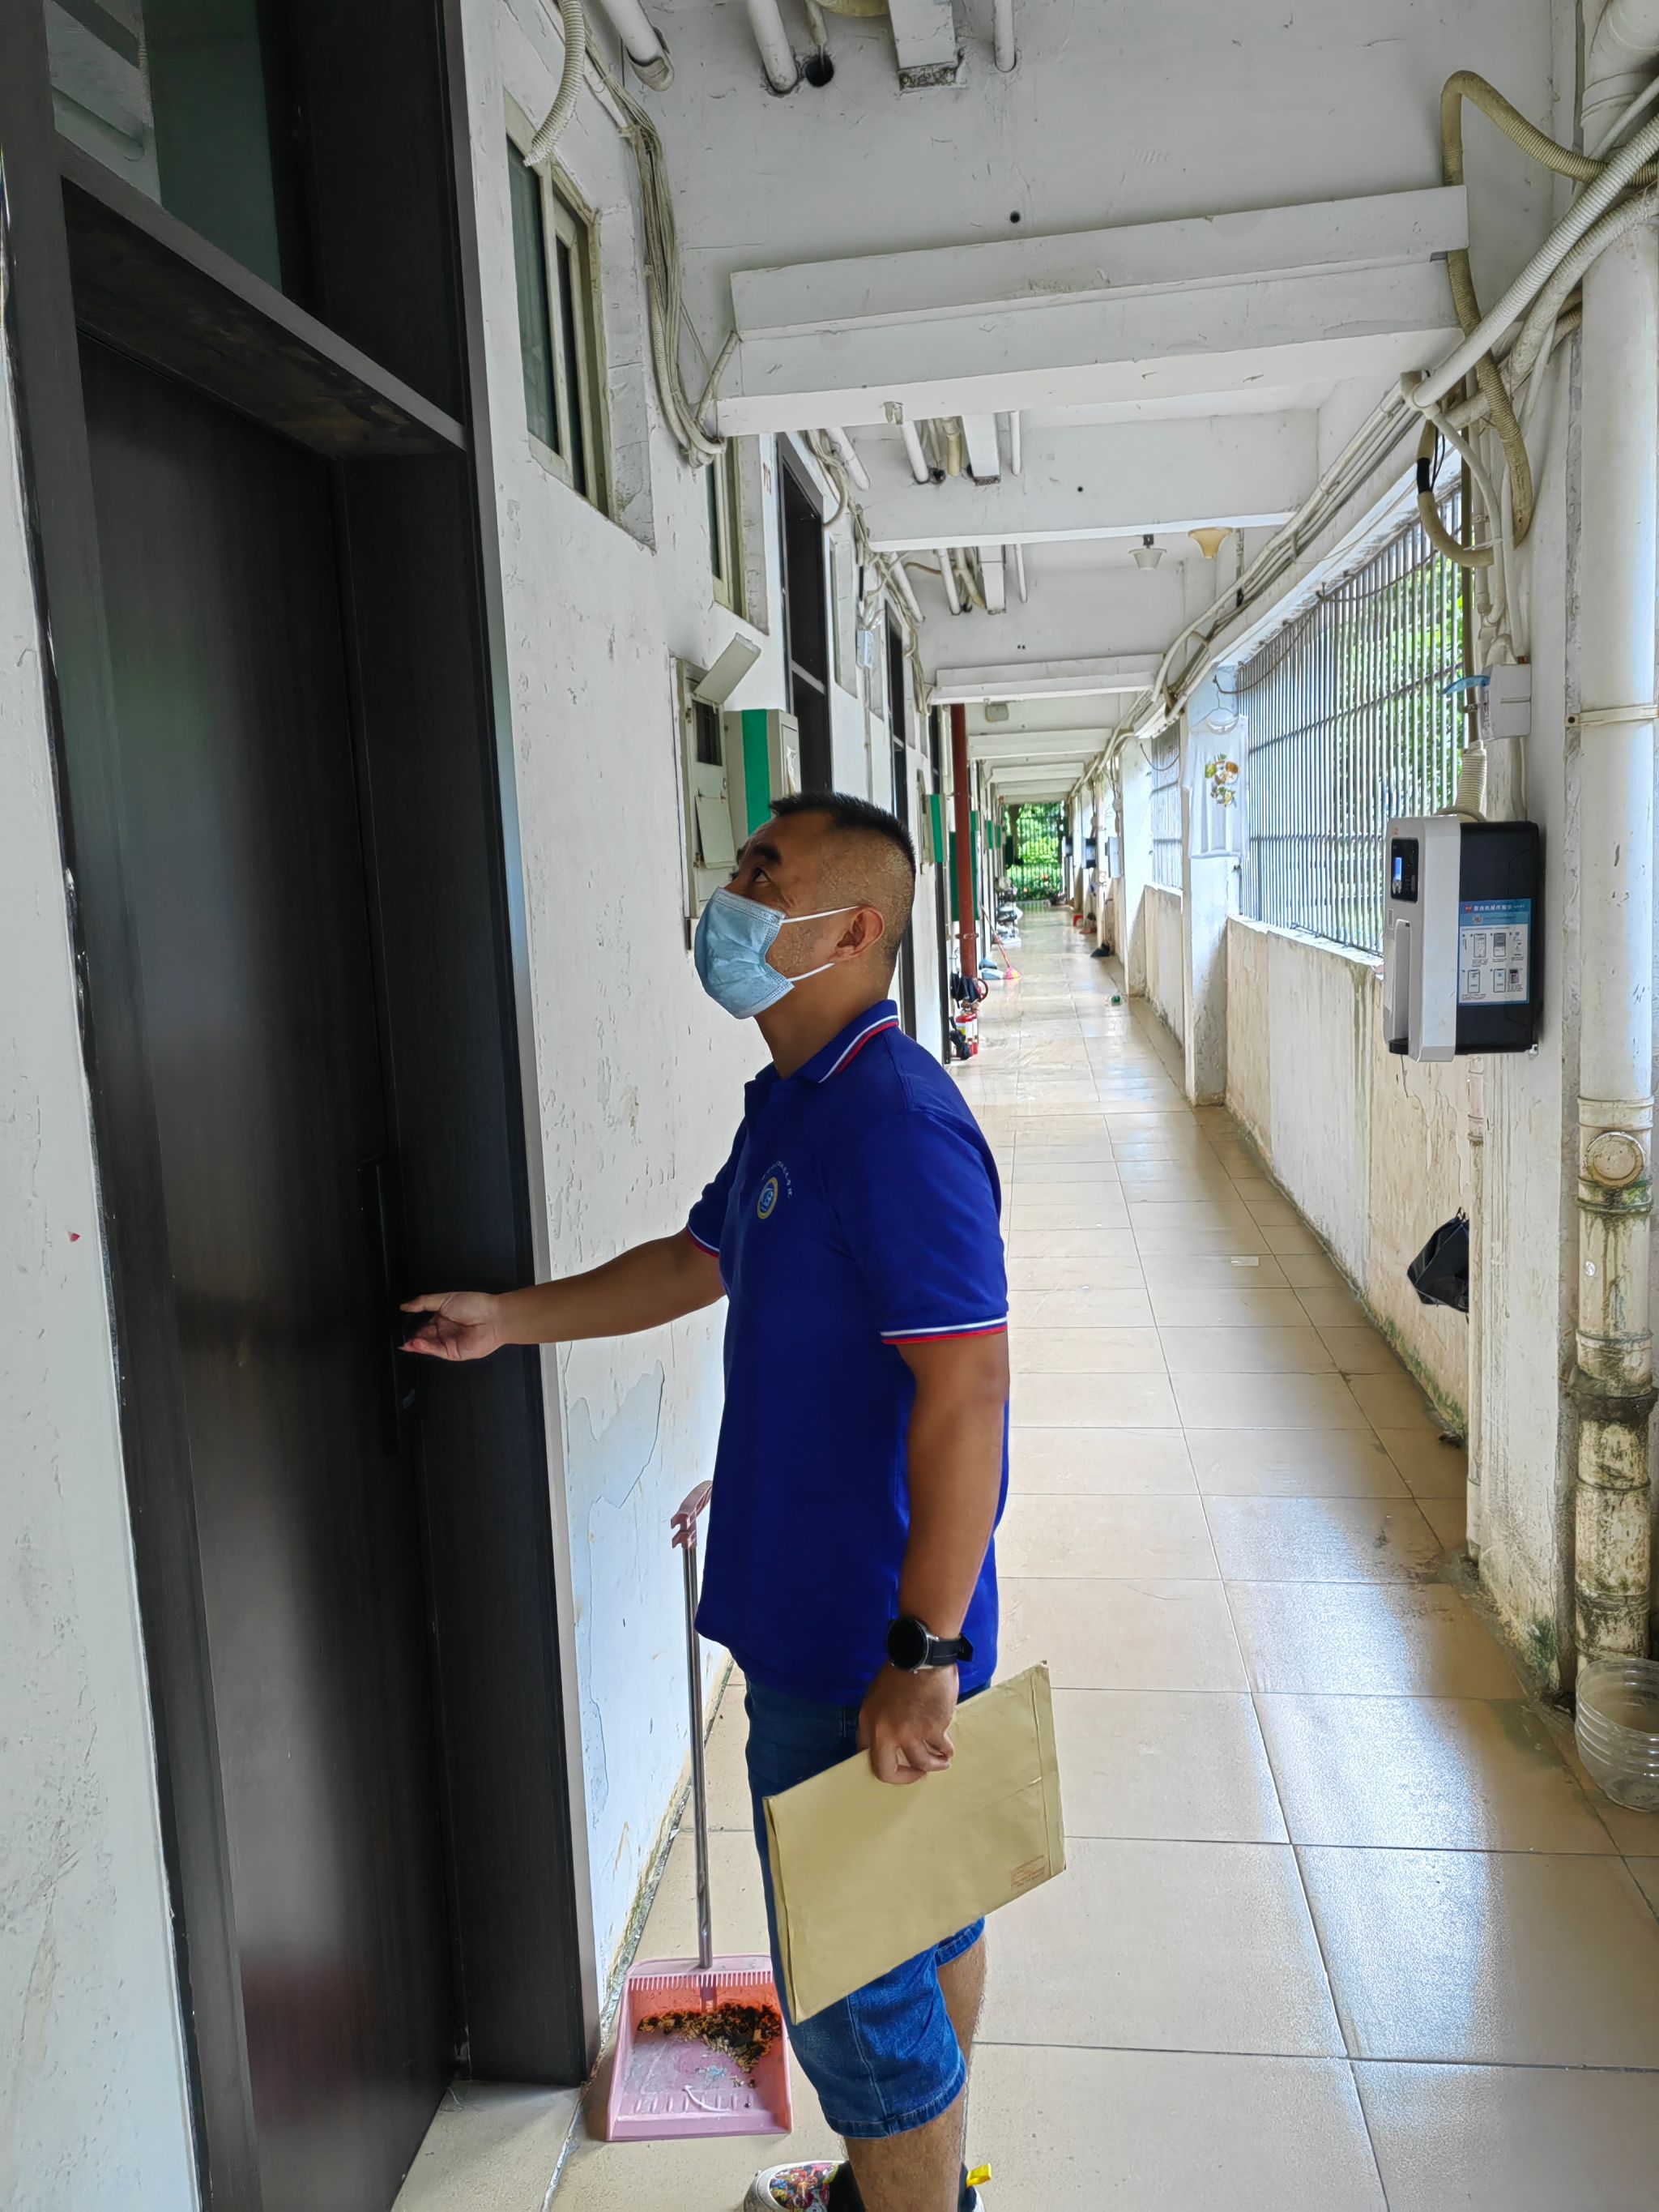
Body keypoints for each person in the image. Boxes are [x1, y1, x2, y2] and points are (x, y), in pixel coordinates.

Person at [403, 792, 1009, 2212]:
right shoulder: (797, 1100)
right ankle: (904, 2187)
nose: (729, 896)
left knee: (855, 1996)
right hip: (831, 1613)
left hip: (864, 1644)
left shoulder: (895, 1121)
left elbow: (970, 1390)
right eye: (739, 865)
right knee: (919, 1925)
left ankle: (911, 2193)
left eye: (764, 874)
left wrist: (923, 1652)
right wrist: (511, 1318)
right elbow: (701, 1258)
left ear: (853, 930)